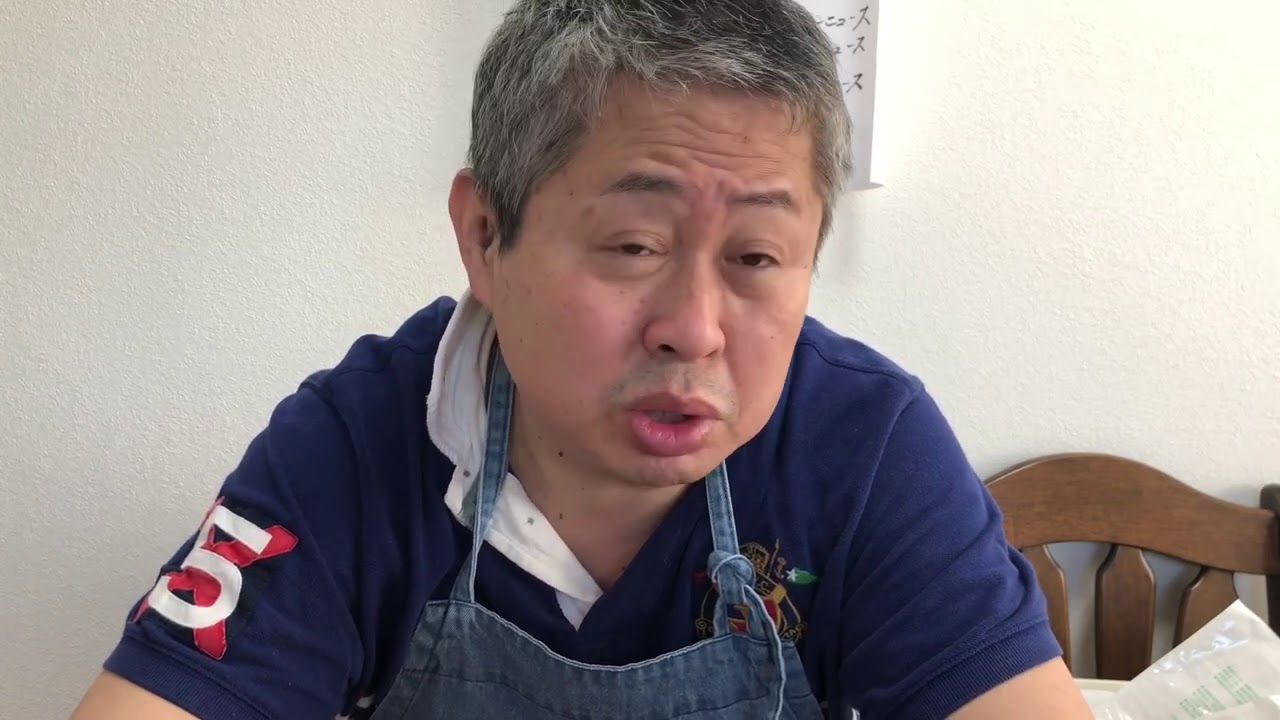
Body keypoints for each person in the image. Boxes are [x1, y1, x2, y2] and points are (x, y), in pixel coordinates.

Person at [71, 1, 1093, 718]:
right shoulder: (354, 445)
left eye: (755, 258)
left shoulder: (863, 448)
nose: (694, 329)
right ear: (484, 237)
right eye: (633, 247)